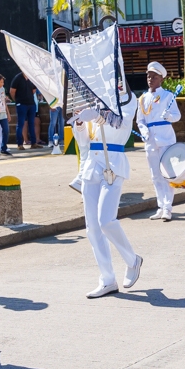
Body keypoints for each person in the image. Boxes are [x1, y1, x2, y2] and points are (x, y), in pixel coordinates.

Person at [72, 100, 144, 298]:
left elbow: (120, 123)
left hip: (112, 163)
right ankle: (107, 279)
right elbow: (84, 141)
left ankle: (132, 261)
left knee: (106, 221)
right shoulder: (94, 102)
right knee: (93, 228)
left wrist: (94, 116)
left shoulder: (127, 101)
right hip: (91, 165)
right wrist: (79, 124)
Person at [136, 62, 181, 222]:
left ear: (161, 78)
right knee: (155, 176)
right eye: (149, 76)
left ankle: (168, 208)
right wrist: (144, 131)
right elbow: (140, 120)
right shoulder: (142, 98)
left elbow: (177, 116)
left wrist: (168, 115)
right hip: (150, 141)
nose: (150, 79)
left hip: (165, 138)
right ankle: (160, 206)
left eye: (154, 77)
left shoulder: (168, 96)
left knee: (167, 174)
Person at [10, 70, 39, 148]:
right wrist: (17, 100)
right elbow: (12, 91)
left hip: (31, 104)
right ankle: (20, 144)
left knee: (31, 123)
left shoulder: (31, 78)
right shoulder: (17, 78)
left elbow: (33, 90)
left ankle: (34, 143)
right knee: (21, 124)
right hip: (21, 104)